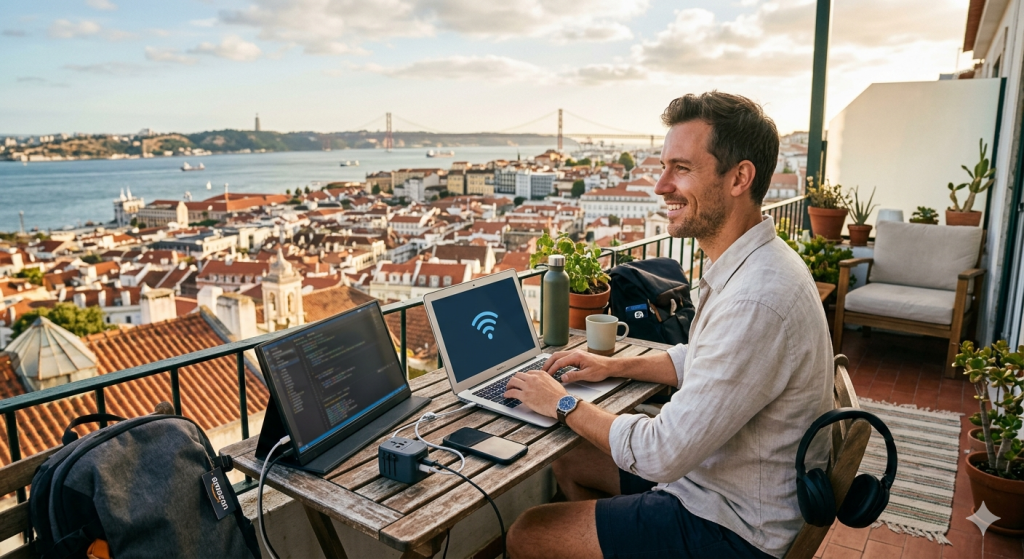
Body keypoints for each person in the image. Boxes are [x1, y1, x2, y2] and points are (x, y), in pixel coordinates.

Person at [503, 91, 834, 559]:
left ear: (740, 177)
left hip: (735, 525)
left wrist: (562, 402)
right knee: (572, 458)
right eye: (663, 166)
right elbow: (701, 360)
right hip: (721, 479)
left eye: (681, 168)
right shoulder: (754, 264)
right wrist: (610, 366)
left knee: (528, 533)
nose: (660, 186)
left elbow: (662, 452)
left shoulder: (757, 299)